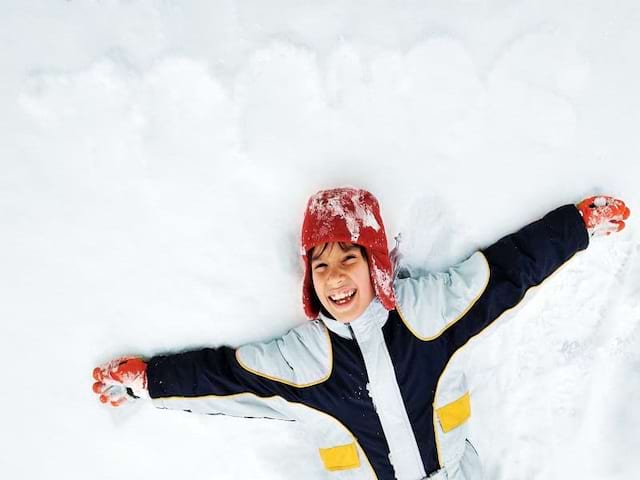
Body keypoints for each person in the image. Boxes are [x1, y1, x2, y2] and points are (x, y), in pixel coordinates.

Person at [92, 187, 630, 480]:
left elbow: (503, 276)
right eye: (321, 267)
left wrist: (574, 227)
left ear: (375, 265)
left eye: (349, 258)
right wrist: (150, 380)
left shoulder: (429, 315)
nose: (335, 278)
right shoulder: (304, 361)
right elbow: (225, 377)